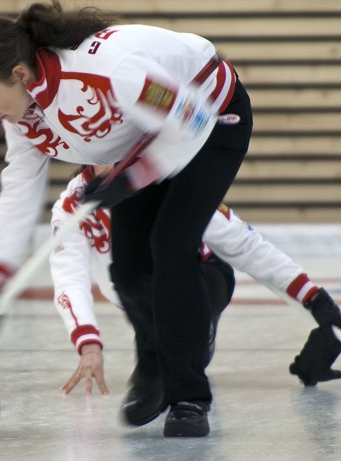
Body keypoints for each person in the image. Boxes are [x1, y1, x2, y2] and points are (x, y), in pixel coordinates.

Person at [0, 0, 270, 437]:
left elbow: (191, 118)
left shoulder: (105, 69)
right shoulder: (22, 116)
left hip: (212, 117)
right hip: (143, 141)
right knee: (129, 267)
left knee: (170, 246)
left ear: (19, 74)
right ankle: (156, 365)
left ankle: (190, 397)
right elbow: (19, 192)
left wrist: (134, 177)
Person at [51, 165, 341, 421]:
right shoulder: (71, 208)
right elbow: (69, 278)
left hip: (203, 278)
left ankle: (188, 345)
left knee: (175, 298)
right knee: (142, 287)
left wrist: (314, 298)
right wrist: (88, 343)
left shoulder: (171, 179)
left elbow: (246, 245)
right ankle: (158, 360)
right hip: (143, 302)